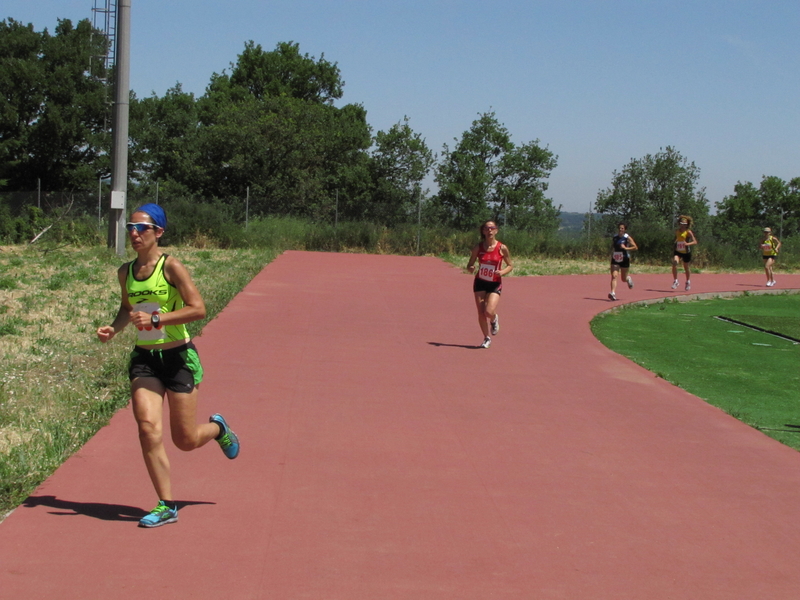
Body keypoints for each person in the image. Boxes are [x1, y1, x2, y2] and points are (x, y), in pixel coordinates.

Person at [96, 204, 240, 528]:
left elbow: (198, 308)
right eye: (130, 227)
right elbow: (126, 307)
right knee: (147, 428)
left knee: (185, 440)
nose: (134, 233)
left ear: (158, 232)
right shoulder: (125, 272)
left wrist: (157, 318)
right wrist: (114, 328)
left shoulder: (171, 267)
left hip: (178, 358)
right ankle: (166, 504)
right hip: (145, 360)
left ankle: (219, 429)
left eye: (141, 228)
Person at [466, 220, 513, 349]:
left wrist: (502, 272)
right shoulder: (478, 247)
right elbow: (470, 264)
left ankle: (493, 319)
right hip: (480, 282)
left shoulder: (502, 248)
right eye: (487, 228)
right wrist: (471, 267)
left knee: (488, 311)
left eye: (492, 228)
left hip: (494, 283)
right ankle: (486, 338)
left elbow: (510, 265)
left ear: (496, 230)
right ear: (483, 231)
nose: (490, 230)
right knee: (481, 312)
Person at [608, 223, 638, 301]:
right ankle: (613, 293)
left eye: (622, 228)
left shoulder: (627, 238)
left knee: (623, 279)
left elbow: (635, 247)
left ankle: (628, 279)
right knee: (614, 276)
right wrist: (611, 253)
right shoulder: (615, 237)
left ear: (625, 229)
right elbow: (613, 246)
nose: (620, 230)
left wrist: (625, 248)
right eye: (619, 228)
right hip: (615, 258)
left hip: (624, 258)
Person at [671, 215, 698, 291]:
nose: (683, 225)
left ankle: (688, 282)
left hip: (686, 252)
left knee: (686, 267)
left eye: (685, 224)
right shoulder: (677, 231)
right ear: (679, 224)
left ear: (687, 225)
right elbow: (676, 239)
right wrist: (675, 244)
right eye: (681, 224)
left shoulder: (688, 232)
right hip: (678, 251)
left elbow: (695, 241)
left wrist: (687, 244)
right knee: (675, 263)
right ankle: (676, 281)